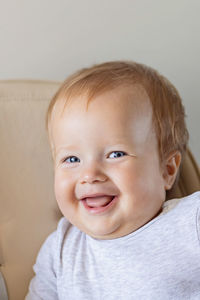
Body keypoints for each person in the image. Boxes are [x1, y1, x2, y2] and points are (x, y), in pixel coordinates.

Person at [26, 61, 200, 300]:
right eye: (72, 158)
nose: (90, 175)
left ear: (167, 170)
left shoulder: (190, 223)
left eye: (115, 154)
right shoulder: (60, 249)